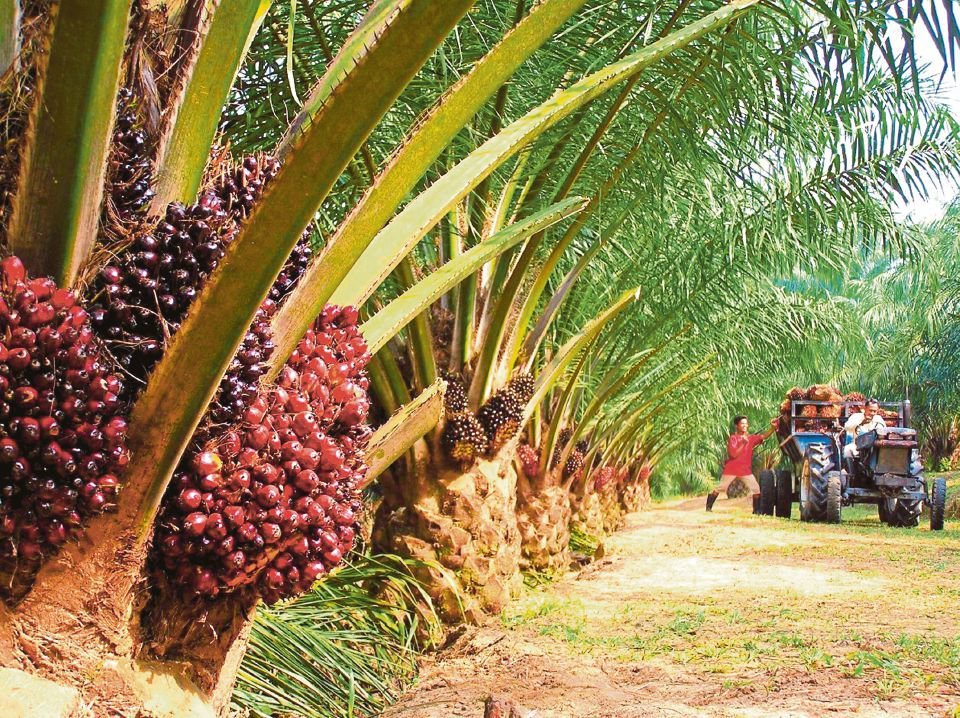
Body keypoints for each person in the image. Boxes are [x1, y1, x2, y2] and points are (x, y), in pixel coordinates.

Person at [706, 415, 778, 513]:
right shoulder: (733, 438)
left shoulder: (750, 438)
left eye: (746, 423)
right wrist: (743, 443)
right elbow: (733, 454)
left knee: (756, 489)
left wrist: (772, 428)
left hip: (745, 470)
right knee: (720, 488)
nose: (745, 425)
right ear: (737, 426)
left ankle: (756, 511)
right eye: (742, 423)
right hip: (732, 469)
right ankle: (708, 508)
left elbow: (763, 436)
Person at [842, 398, 886, 462]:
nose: (872, 413)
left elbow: (884, 432)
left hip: (874, 446)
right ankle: (851, 468)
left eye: (874, 411)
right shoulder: (856, 416)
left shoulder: (878, 419)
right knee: (847, 450)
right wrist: (861, 422)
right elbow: (847, 427)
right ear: (865, 408)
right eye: (870, 410)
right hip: (857, 446)